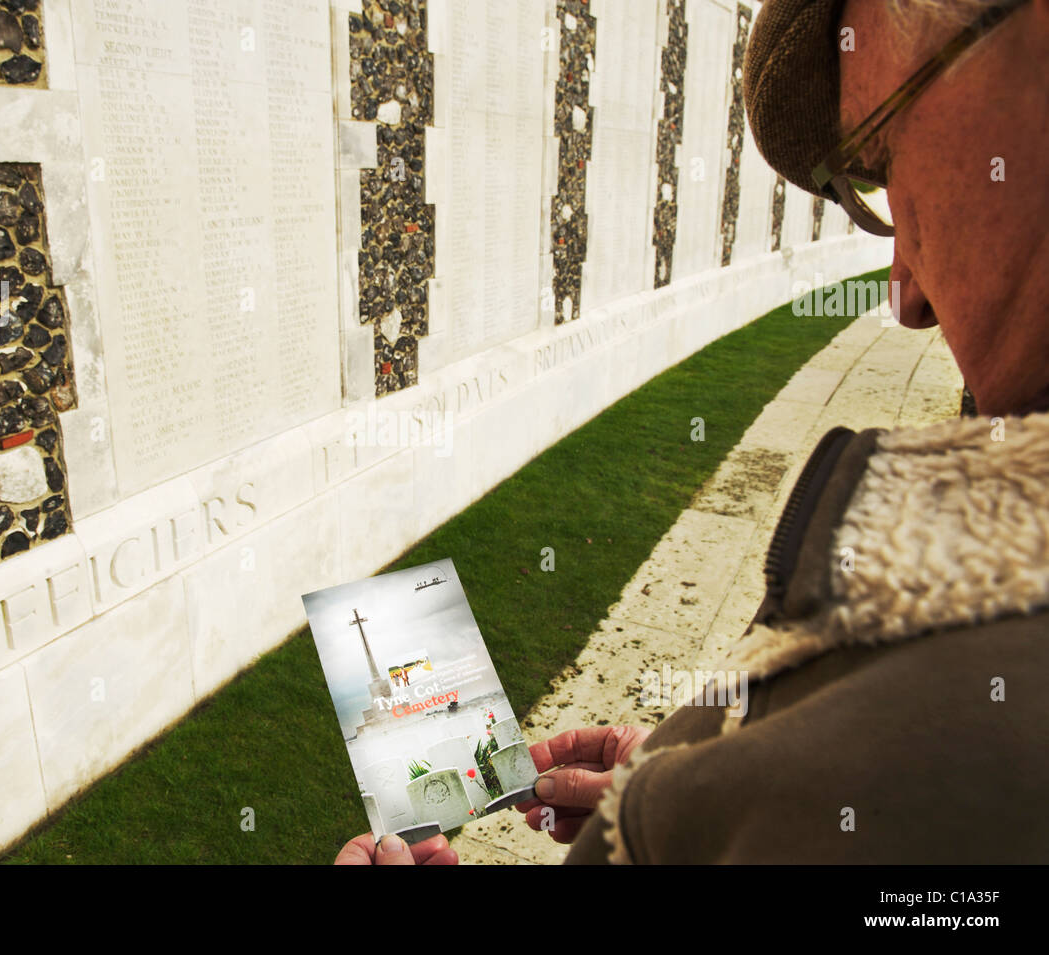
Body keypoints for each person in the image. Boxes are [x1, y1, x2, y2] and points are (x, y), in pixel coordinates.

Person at [334, 0, 1049, 865]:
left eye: (882, 156)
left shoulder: (974, 705)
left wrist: (698, 814)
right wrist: (707, 776)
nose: (905, 295)